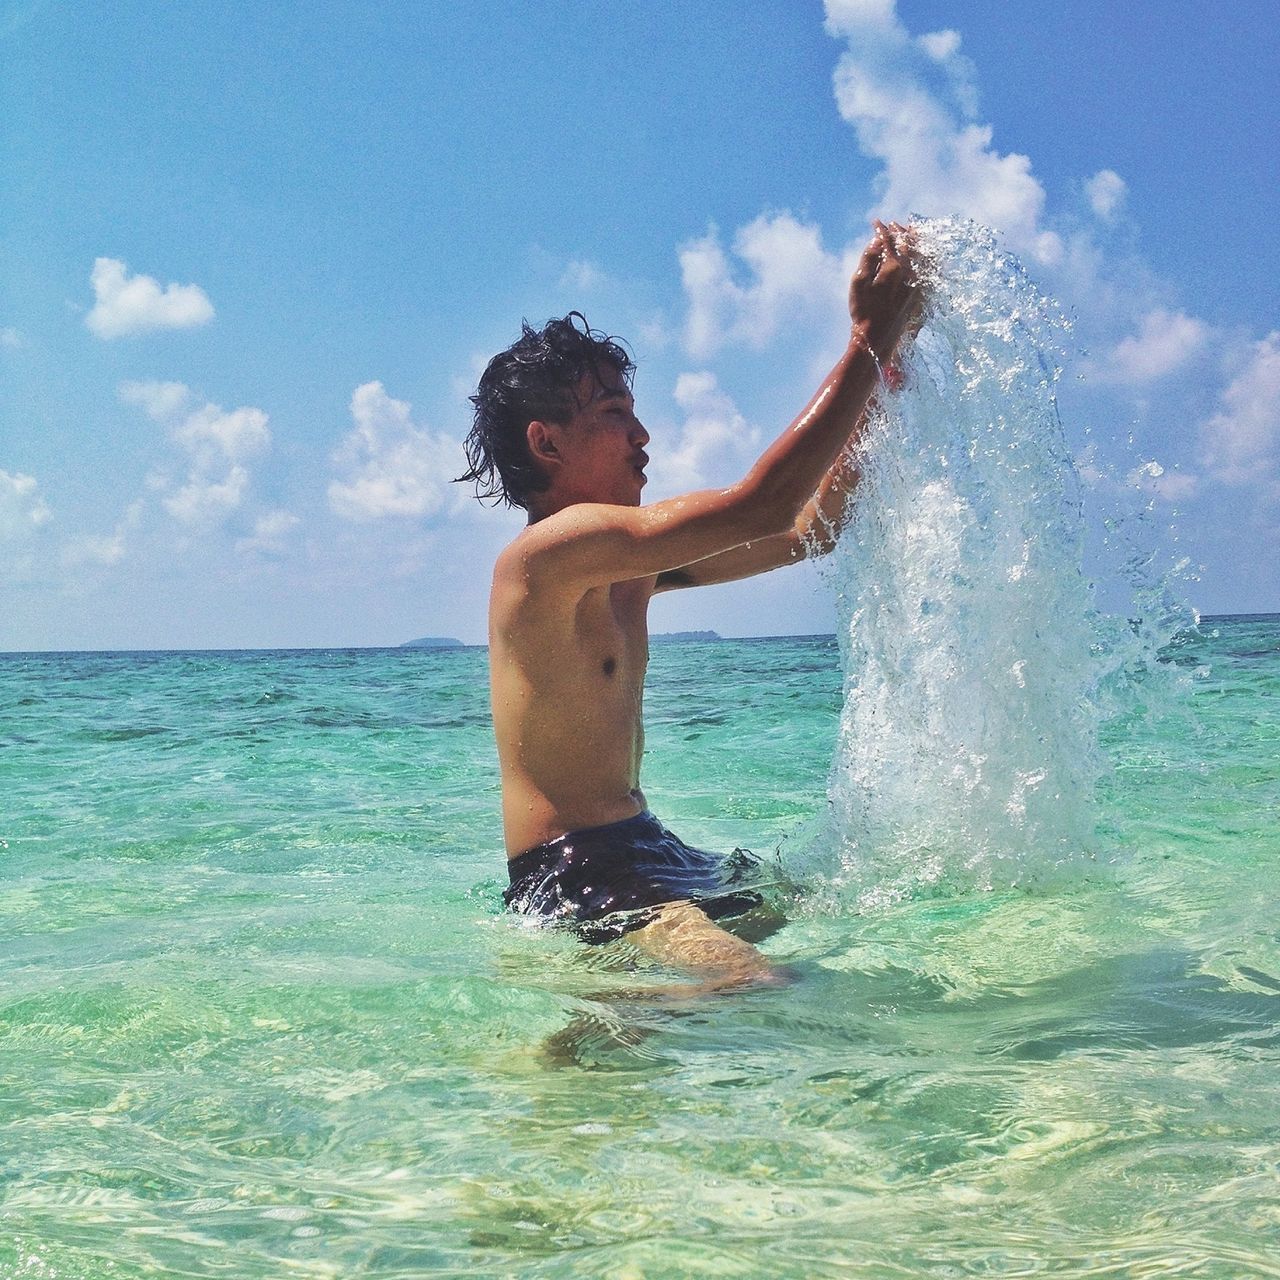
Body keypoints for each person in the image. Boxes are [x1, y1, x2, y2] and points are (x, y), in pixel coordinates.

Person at [460, 222, 922, 991]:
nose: (643, 433)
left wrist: (882, 385)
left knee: (834, 900)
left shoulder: (627, 569)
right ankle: (579, 1055)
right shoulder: (543, 559)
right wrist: (866, 345)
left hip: (648, 845)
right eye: (613, 413)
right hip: (575, 867)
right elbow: (762, 507)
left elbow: (811, 531)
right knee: (758, 986)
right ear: (545, 444)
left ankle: (609, 1030)